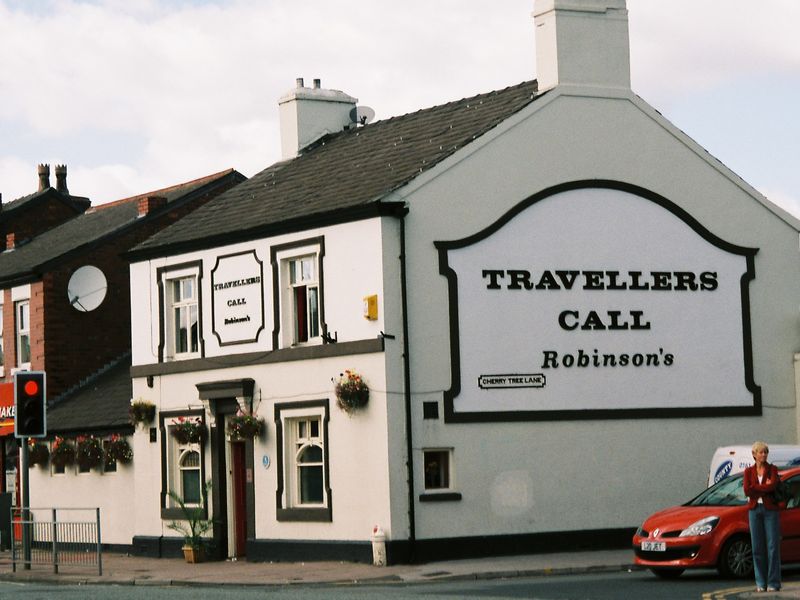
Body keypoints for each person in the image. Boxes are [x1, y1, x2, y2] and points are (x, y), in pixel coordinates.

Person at [743, 440, 782, 592]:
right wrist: (762, 488)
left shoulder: (773, 469)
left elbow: (772, 486)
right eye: (761, 452)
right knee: (757, 548)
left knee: (773, 547)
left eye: (766, 452)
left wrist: (756, 488)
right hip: (754, 510)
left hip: (770, 510)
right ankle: (761, 583)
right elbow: (747, 490)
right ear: (754, 454)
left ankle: (773, 583)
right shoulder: (748, 472)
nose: (764, 454)